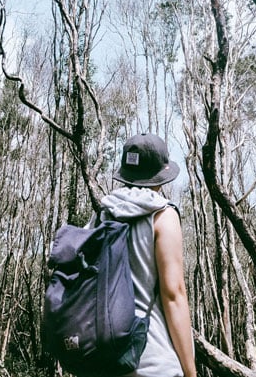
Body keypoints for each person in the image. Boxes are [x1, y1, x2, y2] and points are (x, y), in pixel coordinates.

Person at [98, 133, 197, 377]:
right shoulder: (163, 215)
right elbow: (173, 295)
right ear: (159, 176)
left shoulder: (102, 214)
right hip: (152, 361)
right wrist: (191, 371)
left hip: (104, 360)